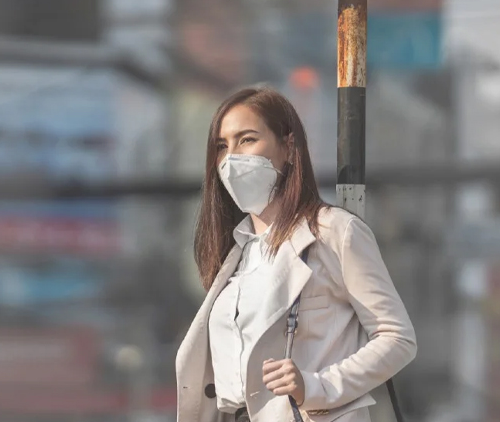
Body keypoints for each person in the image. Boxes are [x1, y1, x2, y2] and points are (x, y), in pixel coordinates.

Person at [175, 86, 417, 422]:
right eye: (221, 146)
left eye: (247, 139)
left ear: (288, 147)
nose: (231, 158)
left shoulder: (333, 231)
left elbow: (397, 338)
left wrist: (315, 387)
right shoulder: (236, 251)